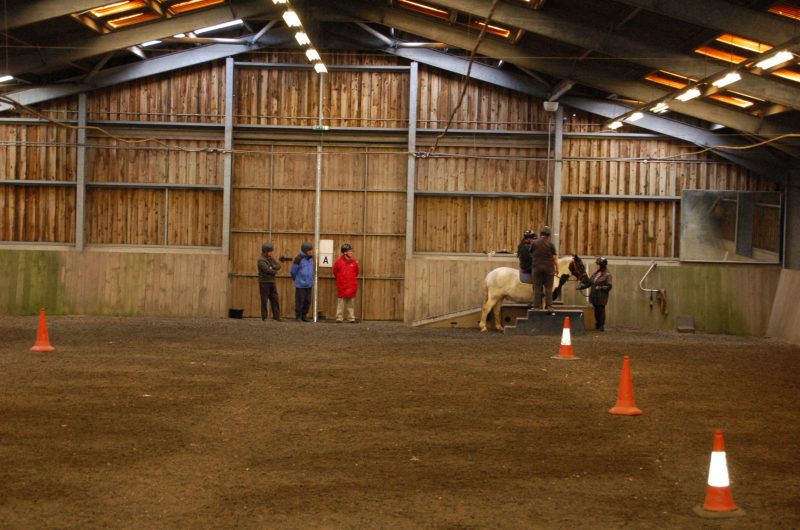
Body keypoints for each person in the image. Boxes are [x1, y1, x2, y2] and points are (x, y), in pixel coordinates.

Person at [530, 225, 558, 311]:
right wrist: (557, 267)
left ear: (540, 233)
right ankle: (549, 306)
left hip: (537, 268)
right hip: (549, 268)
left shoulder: (534, 243)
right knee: (549, 287)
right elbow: (554, 258)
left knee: (537, 287)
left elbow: (531, 253)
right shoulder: (551, 244)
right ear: (549, 234)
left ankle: (536, 306)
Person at [332, 243, 360, 323]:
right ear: (345, 252)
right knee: (341, 302)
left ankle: (351, 318)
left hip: (351, 285)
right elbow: (335, 272)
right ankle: (339, 318)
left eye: (351, 251)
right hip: (342, 285)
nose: (351, 252)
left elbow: (356, 272)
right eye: (350, 251)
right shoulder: (338, 262)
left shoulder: (354, 262)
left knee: (350, 303)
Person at [290, 242, 315, 322]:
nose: (311, 251)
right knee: (300, 300)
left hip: (309, 283)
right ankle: (298, 316)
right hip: (300, 284)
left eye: (311, 250)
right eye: (309, 250)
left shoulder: (311, 258)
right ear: (305, 251)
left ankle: (304, 315)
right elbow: (293, 271)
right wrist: (297, 279)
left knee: (308, 301)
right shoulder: (298, 258)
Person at [257, 242, 282, 321]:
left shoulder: (271, 259)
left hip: (272, 282)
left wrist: (272, 267)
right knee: (264, 300)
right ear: (265, 252)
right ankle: (264, 317)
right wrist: (273, 270)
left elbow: (278, 266)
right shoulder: (261, 260)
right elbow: (267, 270)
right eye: (270, 251)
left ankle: (277, 316)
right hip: (264, 282)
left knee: (275, 299)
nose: (271, 253)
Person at [588, 256, 613, 331]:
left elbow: (609, 286)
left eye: (598, 264)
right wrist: (583, 286)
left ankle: (601, 325)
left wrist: (600, 288)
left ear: (602, 265)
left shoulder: (607, 275)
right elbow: (590, 281)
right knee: (596, 310)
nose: (596, 265)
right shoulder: (596, 273)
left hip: (601, 296)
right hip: (594, 295)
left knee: (601, 309)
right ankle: (598, 323)